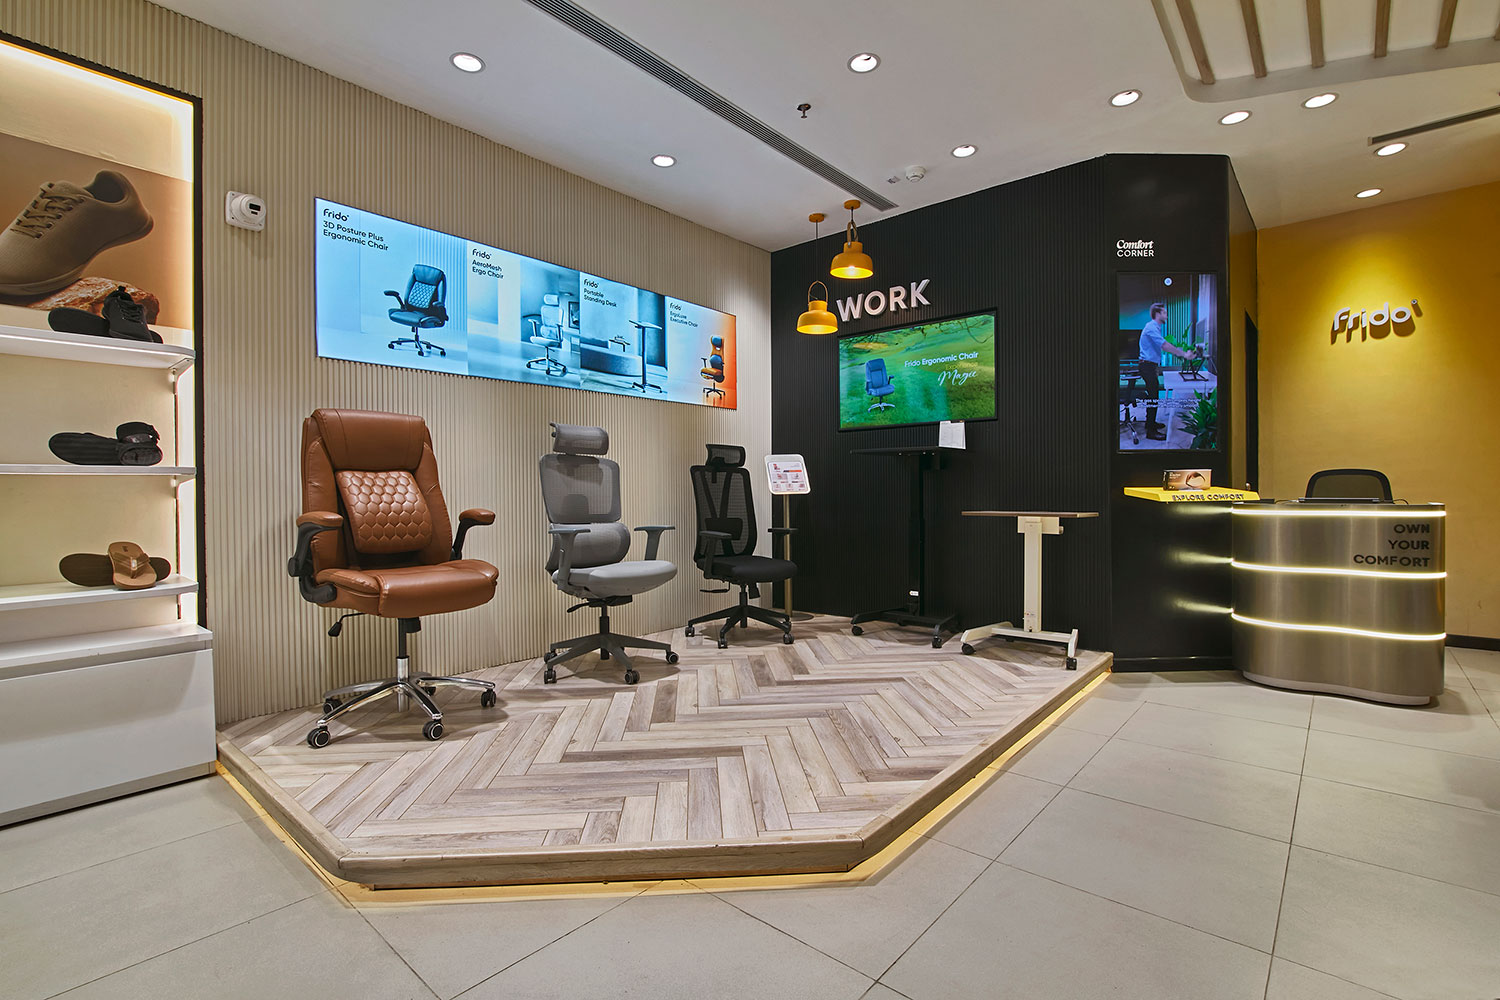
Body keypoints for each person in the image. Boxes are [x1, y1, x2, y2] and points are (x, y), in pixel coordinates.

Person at [1138, 302, 1199, 441]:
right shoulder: (1151, 327)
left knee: (1154, 396)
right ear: (1157, 314)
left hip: (1150, 366)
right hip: (1147, 366)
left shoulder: (1155, 327)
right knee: (1153, 397)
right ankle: (1151, 432)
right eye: (1164, 313)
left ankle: (1150, 423)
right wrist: (1184, 354)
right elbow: (1164, 345)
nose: (1167, 315)